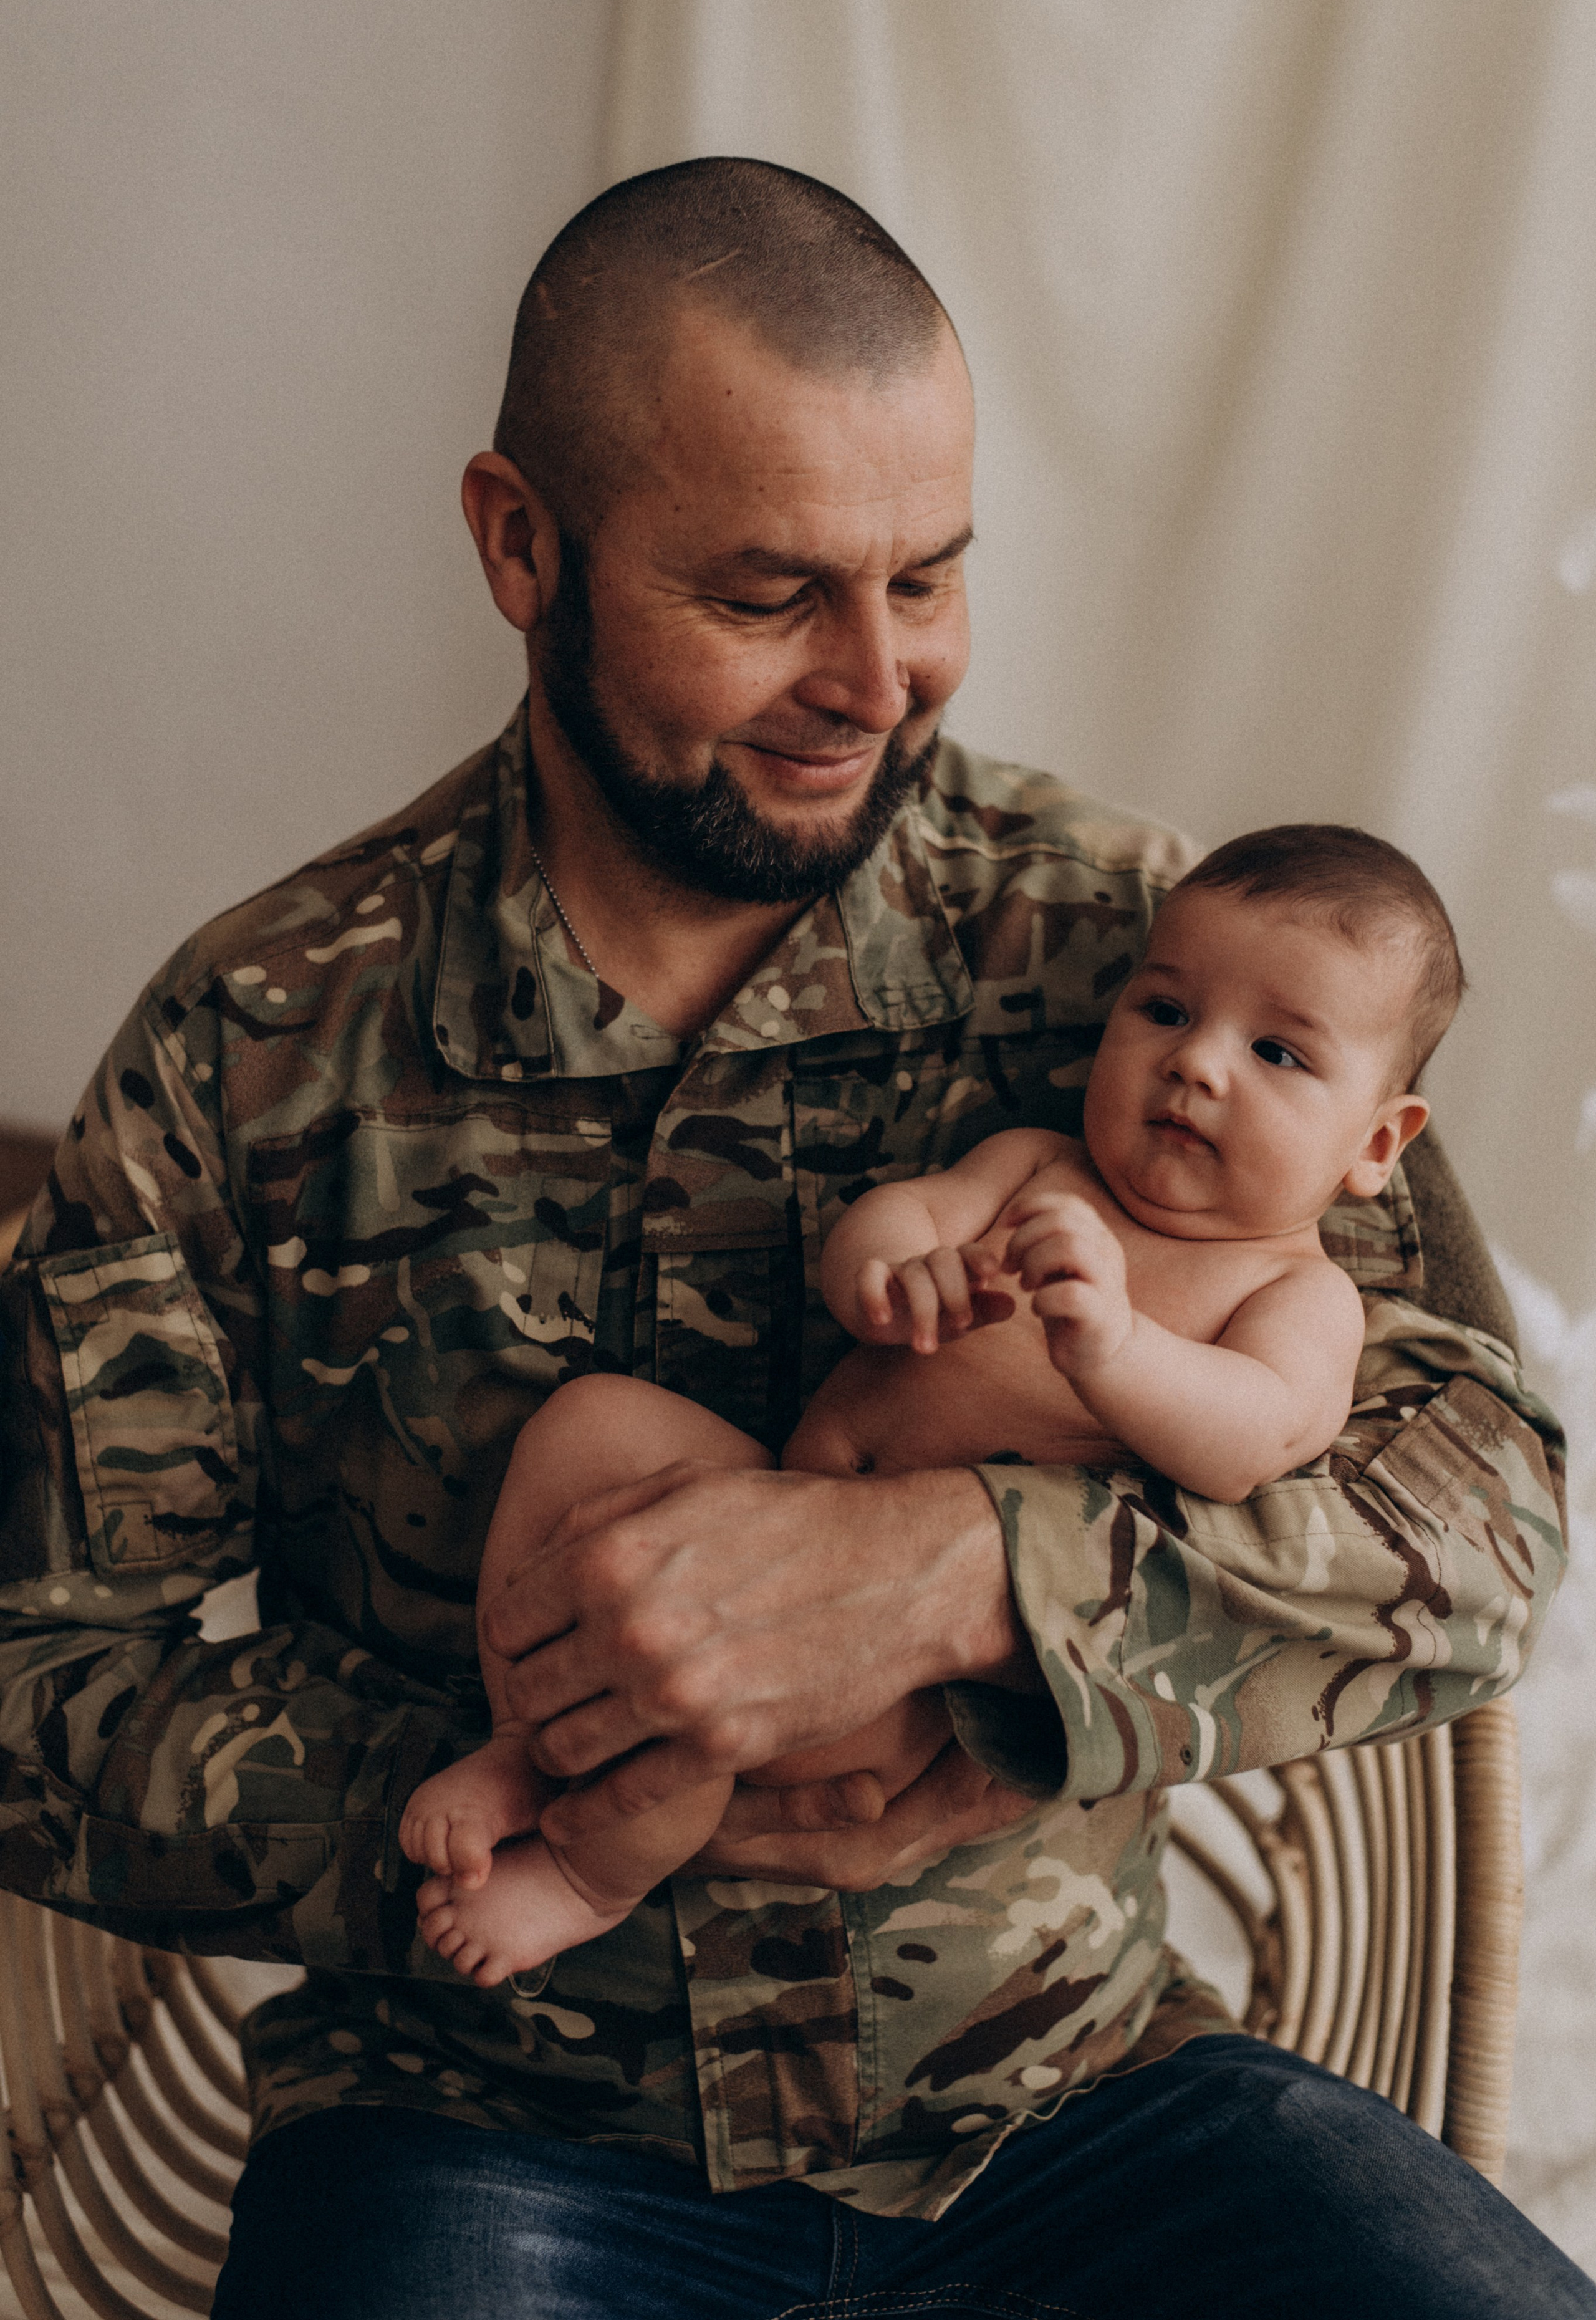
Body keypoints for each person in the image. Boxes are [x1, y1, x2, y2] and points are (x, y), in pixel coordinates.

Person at [0, 159, 1583, 2316]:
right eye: (767, 595)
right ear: (519, 543)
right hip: (493, 2115)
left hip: (1071, 2091)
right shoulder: (257, 1048)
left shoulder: (1143, 955)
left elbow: (1487, 1509)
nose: (876, 676)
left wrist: (967, 1586)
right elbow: (38, 1679)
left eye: (927, 576)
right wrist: (551, 1768)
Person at [402, 822, 1448, 1990]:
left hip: (899, 1677)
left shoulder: (1294, 1293)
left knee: (705, 1703)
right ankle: (517, 1741)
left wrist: (1115, 1347)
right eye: (1165, 1011)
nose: (1199, 1063)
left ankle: (594, 1871)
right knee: (591, 1425)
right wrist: (895, 1280)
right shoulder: (1038, 1165)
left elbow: (1254, 1437)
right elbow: (894, 1220)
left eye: (1278, 1053)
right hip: (769, 1503)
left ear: (1376, 1143)